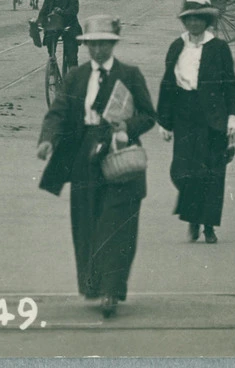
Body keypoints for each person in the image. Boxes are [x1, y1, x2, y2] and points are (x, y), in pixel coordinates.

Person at [37, 16, 156, 319]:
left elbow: (148, 114)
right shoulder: (76, 76)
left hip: (119, 152)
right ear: (86, 46)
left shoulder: (129, 75)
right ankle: (96, 284)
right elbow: (58, 112)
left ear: (113, 44)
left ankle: (111, 291)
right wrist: (48, 140)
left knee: (117, 224)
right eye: (92, 44)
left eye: (104, 43)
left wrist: (127, 128)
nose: (98, 49)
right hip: (84, 157)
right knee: (88, 222)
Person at [157, 0, 235, 244]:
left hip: (213, 116)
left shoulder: (219, 48)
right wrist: (164, 121)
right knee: (183, 171)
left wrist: (232, 116)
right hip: (184, 115)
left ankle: (209, 226)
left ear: (206, 21)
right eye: (189, 18)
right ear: (185, 21)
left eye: (199, 18)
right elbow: (168, 85)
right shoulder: (176, 47)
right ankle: (193, 216)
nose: (193, 23)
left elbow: (230, 85)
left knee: (212, 172)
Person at [39, 0, 82, 73]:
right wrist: (39, 22)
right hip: (54, 26)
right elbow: (44, 11)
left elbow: (74, 10)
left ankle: (73, 78)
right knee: (49, 39)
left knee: (71, 54)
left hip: (70, 25)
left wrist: (62, 12)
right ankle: (53, 63)